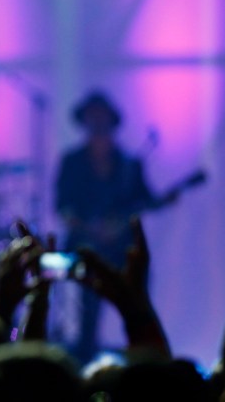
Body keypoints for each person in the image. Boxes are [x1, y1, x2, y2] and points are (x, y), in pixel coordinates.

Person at [53, 89, 179, 364]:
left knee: (136, 308)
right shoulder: (72, 162)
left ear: (111, 121)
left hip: (123, 250)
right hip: (87, 249)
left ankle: (142, 363)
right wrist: (88, 227)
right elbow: (62, 205)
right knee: (88, 313)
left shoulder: (128, 165)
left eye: (102, 118)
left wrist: (165, 200)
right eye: (91, 118)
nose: (97, 124)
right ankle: (86, 364)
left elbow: (144, 199)